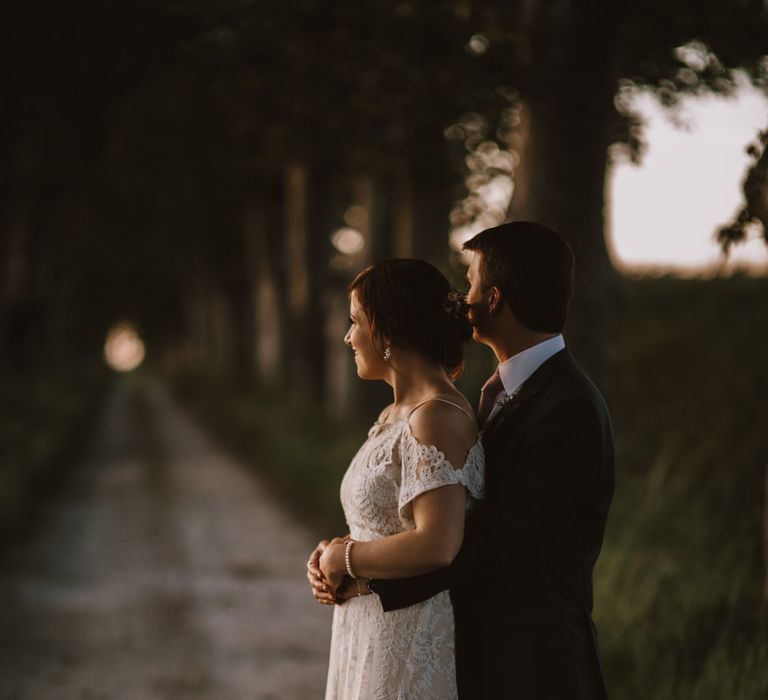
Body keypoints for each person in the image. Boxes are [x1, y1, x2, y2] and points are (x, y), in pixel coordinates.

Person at [311, 222, 615, 699]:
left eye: (470, 283)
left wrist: (357, 568)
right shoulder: (496, 393)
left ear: (493, 298)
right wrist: (352, 550)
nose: (461, 299)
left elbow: (494, 541)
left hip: (536, 665)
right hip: (481, 650)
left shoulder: (568, 407)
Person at [308, 259, 484, 699]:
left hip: (408, 634)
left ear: (387, 331)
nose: (348, 337)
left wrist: (344, 561)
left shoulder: (438, 417)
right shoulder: (394, 415)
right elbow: (387, 523)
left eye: (355, 322)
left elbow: (438, 544)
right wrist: (334, 550)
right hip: (366, 625)